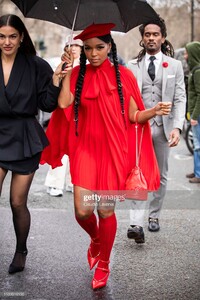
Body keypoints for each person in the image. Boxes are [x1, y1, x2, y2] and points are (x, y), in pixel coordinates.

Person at [41, 23, 172, 289]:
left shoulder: (124, 75)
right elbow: (64, 104)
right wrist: (67, 70)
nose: (94, 53)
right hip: (85, 150)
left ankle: (104, 263)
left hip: (114, 151)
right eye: (88, 48)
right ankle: (97, 240)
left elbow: (135, 115)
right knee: (82, 211)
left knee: (105, 208)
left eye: (99, 47)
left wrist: (154, 110)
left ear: (109, 47)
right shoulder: (77, 73)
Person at [0, 14, 62, 274]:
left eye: (12, 36)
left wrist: (57, 79)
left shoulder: (37, 65)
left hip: (25, 136)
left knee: (17, 202)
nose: (7, 41)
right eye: (2, 36)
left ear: (21, 37)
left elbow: (47, 104)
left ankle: (21, 250)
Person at [127, 16, 186, 242]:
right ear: (142, 38)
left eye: (155, 34)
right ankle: (135, 222)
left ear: (163, 37)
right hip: (139, 128)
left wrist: (177, 128)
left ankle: (154, 216)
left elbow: (180, 98)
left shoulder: (175, 65)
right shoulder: (131, 66)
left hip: (163, 128)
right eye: (147, 34)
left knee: (160, 175)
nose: (151, 38)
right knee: (136, 173)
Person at [44, 34, 83, 196]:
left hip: (79, 112)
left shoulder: (87, 66)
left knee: (77, 147)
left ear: (81, 48)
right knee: (59, 144)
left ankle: (72, 181)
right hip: (62, 111)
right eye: (70, 45)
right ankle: (54, 183)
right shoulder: (60, 64)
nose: (73, 48)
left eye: (76, 45)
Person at [184, 41, 200, 183]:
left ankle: (199, 174)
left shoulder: (198, 71)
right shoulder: (194, 70)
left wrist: (194, 116)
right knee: (196, 144)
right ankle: (196, 170)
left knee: (198, 145)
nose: (185, 56)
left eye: (187, 53)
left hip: (198, 115)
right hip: (195, 113)